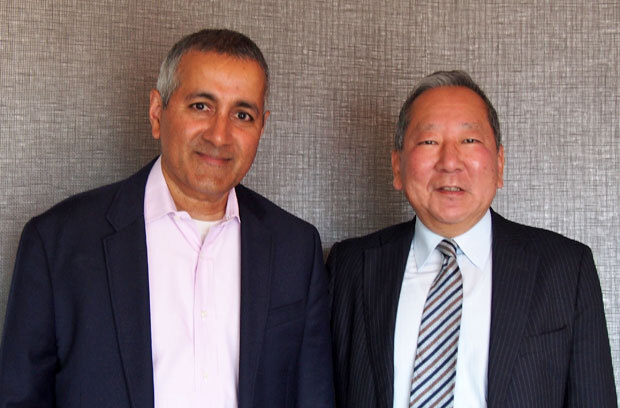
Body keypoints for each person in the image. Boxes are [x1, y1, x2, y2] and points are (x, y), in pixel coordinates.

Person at [0, 29, 334, 407]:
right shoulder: (57, 242)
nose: (220, 135)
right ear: (157, 112)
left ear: (262, 127)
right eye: (201, 106)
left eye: (242, 114)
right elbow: (20, 397)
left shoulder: (296, 248)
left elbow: (314, 396)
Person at [328, 70, 616, 408]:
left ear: (500, 163)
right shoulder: (350, 266)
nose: (450, 162)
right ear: (397, 167)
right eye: (429, 141)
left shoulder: (566, 269)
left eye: (469, 141)